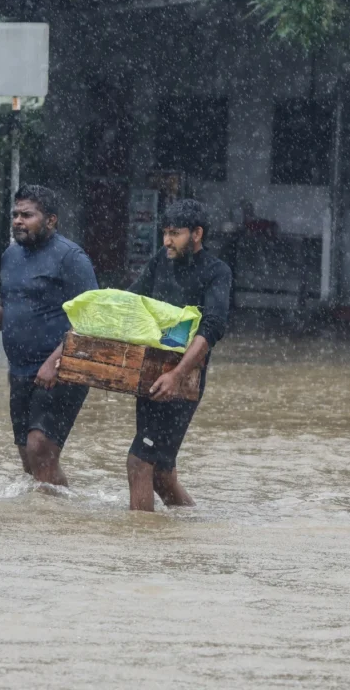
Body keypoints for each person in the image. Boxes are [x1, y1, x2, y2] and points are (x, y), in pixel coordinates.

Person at [0, 185, 98, 487]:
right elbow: (9, 312)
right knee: (27, 456)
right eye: (15, 214)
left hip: (63, 370)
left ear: (51, 220)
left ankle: (52, 513)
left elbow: (93, 321)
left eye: (27, 215)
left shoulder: (71, 258)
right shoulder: (11, 256)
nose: (18, 221)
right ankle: (51, 510)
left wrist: (55, 362)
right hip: (20, 371)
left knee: (40, 449)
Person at [124, 199, 231, 512]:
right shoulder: (161, 261)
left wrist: (176, 375)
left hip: (184, 380)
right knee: (161, 473)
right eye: (165, 233)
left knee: (139, 461)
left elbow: (212, 328)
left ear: (197, 234)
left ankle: (140, 537)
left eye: (175, 234)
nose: (167, 241)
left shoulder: (217, 272)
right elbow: (134, 299)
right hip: (151, 373)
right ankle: (189, 528)